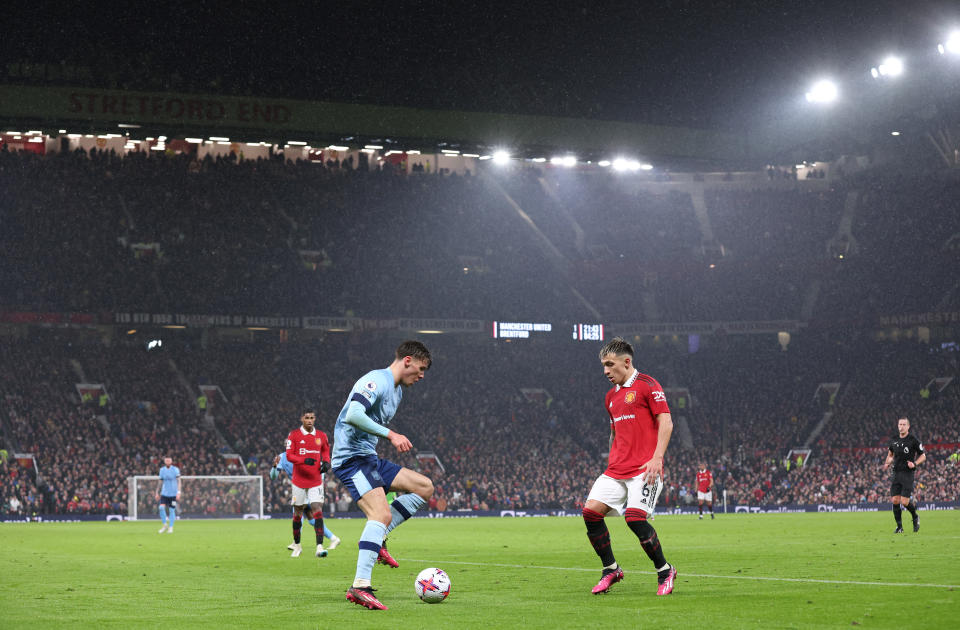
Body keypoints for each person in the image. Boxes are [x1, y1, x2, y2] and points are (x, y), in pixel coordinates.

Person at [333, 340, 435, 611]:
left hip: (369, 458)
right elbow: (353, 414)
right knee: (380, 514)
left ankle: (378, 539)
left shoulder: (398, 392)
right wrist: (391, 434)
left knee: (424, 487)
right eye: (421, 368)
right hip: (351, 459)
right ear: (408, 361)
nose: (422, 375)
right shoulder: (376, 380)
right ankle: (360, 586)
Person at [582, 337, 677, 596]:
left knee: (634, 518)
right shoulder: (610, 397)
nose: (605, 371)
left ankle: (665, 570)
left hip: (644, 468)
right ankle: (610, 569)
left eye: (610, 365)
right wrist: (612, 458)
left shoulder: (648, 385)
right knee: (590, 513)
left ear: (626, 362)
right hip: (616, 470)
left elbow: (666, 423)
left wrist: (657, 457)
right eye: (603, 365)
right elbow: (614, 432)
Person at [284, 409, 331, 558]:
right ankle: (297, 545)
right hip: (298, 481)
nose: (309, 420)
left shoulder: (321, 436)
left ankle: (319, 546)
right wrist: (304, 460)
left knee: (317, 509)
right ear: (302, 419)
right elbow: (289, 456)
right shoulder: (294, 435)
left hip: (316, 480)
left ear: (315, 418)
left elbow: (325, 451)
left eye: (312, 418)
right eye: (307, 418)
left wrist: (326, 462)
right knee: (298, 513)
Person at [270, 452, 340, 550]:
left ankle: (296, 542)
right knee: (311, 519)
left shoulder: (305, 452)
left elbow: (320, 468)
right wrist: (274, 466)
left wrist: (318, 485)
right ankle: (334, 538)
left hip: (311, 486)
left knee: (298, 511)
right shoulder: (282, 457)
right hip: (299, 487)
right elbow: (273, 476)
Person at [882, 417, 925, 533]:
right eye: (900, 424)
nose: (901, 426)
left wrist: (915, 463)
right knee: (895, 500)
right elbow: (890, 454)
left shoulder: (913, 440)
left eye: (904, 424)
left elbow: (923, 456)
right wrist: (887, 463)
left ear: (908, 426)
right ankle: (899, 527)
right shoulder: (894, 440)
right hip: (896, 472)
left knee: (904, 502)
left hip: (907, 473)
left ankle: (915, 516)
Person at [156, 456, 180, 534]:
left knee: (171, 510)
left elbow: (179, 481)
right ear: (164, 461)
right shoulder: (162, 470)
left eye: (169, 460)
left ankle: (171, 527)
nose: (168, 461)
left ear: (171, 461)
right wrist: (157, 492)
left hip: (173, 494)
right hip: (164, 494)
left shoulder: (175, 469)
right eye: (166, 460)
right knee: (161, 508)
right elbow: (160, 482)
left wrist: (178, 492)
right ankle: (165, 525)